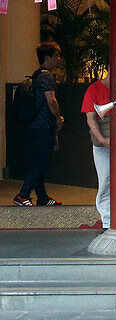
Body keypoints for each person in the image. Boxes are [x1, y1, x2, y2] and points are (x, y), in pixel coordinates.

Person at [13, 42, 64, 207]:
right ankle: (23, 194)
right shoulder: (47, 76)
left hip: (34, 125)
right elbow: (51, 101)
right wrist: (58, 117)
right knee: (41, 160)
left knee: (38, 159)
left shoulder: (36, 75)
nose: (58, 59)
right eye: (56, 55)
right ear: (48, 57)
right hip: (44, 126)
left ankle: (42, 196)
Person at [80, 72, 111, 229]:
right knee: (105, 180)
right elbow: (90, 118)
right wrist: (101, 139)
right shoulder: (94, 89)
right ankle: (107, 222)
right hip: (103, 141)